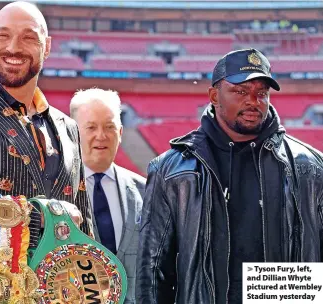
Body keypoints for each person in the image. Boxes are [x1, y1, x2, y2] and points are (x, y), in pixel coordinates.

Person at [136, 48, 323, 304]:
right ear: (214, 95)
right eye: (241, 91)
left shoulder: (309, 165)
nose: (253, 101)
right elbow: (153, 266)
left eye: (261, 93)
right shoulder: (170, 170)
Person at [0, 2, 92, 303]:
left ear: (46, 47)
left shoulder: (69, 127)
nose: (13, 47)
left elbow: (81, 223)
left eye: (28, 37)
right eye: (3, 35)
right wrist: (40, 219)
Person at [70, 88, 146, 304]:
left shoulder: (146, 190)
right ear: (72, 133)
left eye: (110, 127)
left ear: (120, 133)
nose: (101, 136)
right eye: (91, 127)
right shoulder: (54, 193)